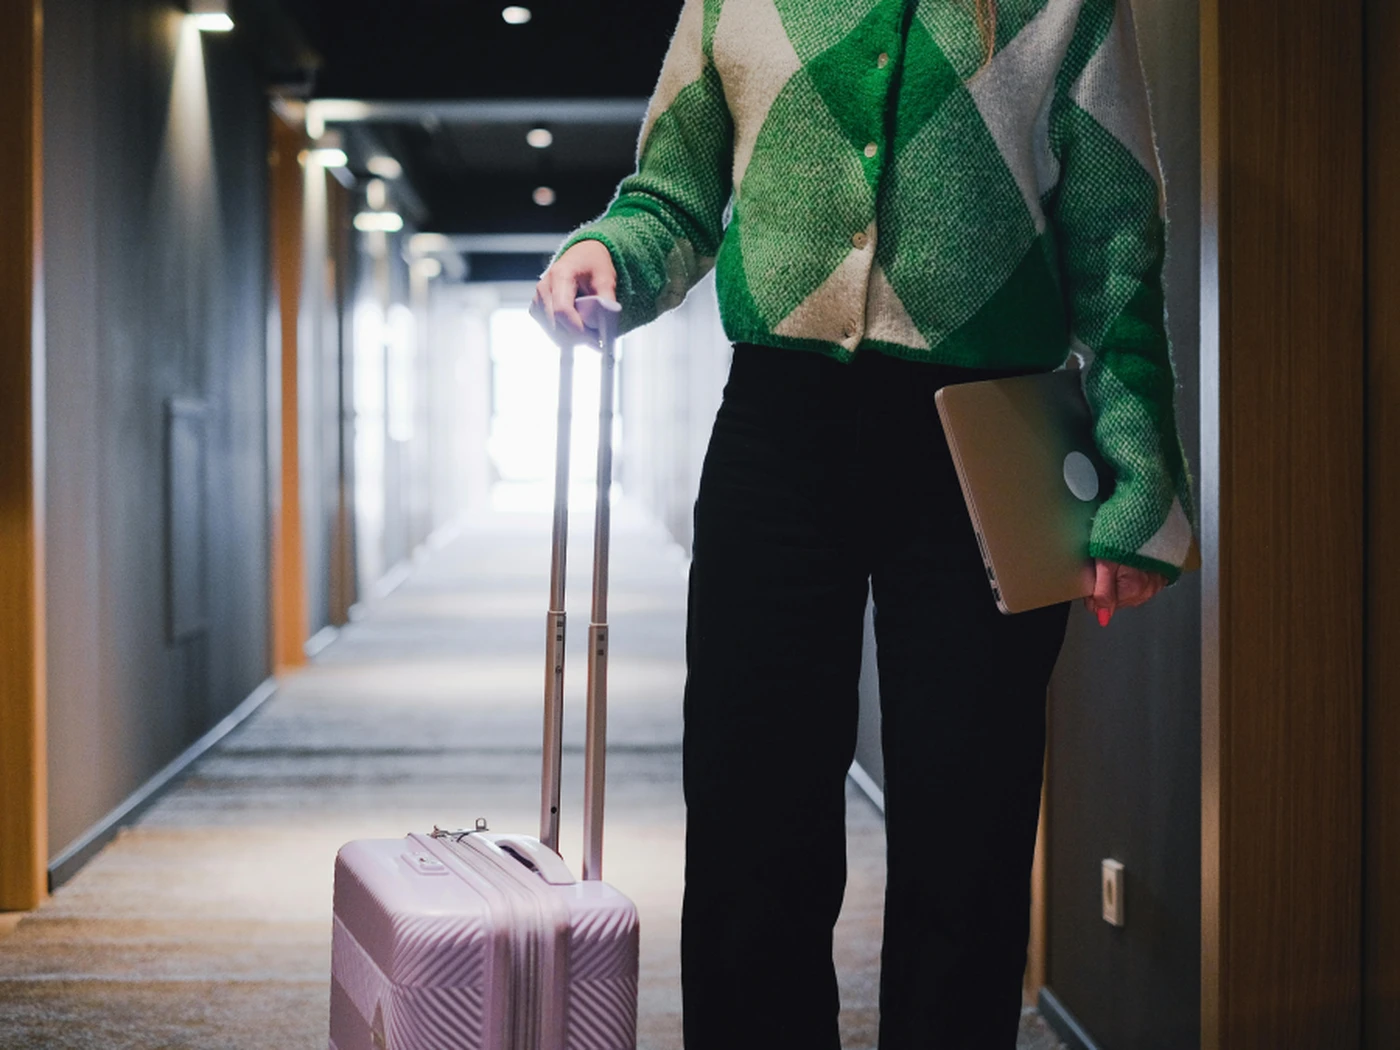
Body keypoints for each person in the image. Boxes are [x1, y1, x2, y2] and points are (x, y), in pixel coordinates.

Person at [534, 0, 1198, 1046]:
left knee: (966, 823)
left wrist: (1136, 493)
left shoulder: (1064, 9)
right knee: (749, 807)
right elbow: (672, 192)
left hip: (986, 441)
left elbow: (1117, 244)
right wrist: (611, 250)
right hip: (778, 434)